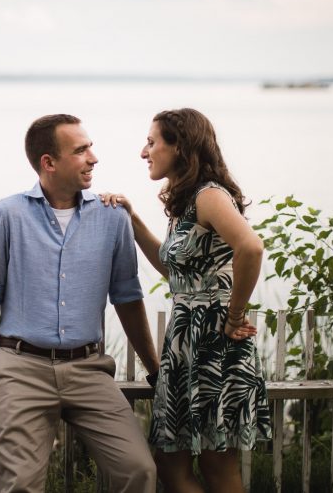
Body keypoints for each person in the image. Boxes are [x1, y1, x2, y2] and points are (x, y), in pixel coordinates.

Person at [0, 113, 161, 493]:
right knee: (21, 486)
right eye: (81, 150)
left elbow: (128, 298)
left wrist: (155, 369)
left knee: (139, 471)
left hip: (88, 370)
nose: (93, 158)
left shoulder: (113, 217)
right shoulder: (4, 216)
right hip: (21, 369)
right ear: (48, 162)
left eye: (91, 147)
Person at [102, 108, 272, 493]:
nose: (144, 151)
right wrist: (132, 219)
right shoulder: (185, 203)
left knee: (217, 468)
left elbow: (251, 248)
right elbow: (175, 273)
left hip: (216, 346)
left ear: (179, 147)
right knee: (169, 463)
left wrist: (234, 316)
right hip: (186, 348)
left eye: (151, 142)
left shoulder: (210, 196)